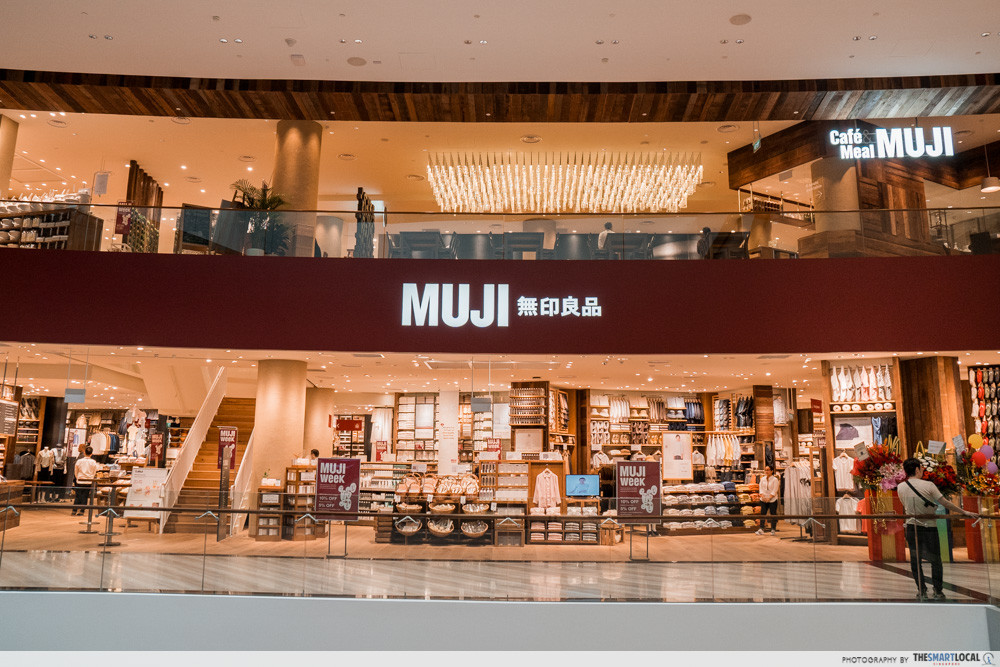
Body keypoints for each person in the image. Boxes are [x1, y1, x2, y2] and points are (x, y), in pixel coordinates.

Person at [897, 457, 978, 600]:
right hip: (930, 526)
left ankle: (921, 590)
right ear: (917, 469)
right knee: (935, 560)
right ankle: (938, 590)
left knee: (915, 560)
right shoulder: (929, 485)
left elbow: (905, 505)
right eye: (921, 468)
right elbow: (944, 502)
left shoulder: (901, 487)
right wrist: (963, 512)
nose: (923, 470)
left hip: (911, 527)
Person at [72, 446, 98, 516]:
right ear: (91, 454)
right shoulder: (93, 462)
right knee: (85, 496)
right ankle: (82, 510)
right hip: (88, 481)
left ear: (84, 453)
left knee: (78, 495)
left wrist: (77, 478)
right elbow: (94, 472)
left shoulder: (79, 461)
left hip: (80, 480)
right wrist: (91, 478)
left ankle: (74, 510)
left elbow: (76, 471)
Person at [756, 466, 781, 535]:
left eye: (768, 470)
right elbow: (760, 488)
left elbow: (775, 490)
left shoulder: (775, 480)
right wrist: (762, 496)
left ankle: (773, 529)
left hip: (772, 500)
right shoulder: (762, 479)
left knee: (773, 514)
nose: (766, 471)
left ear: (772, 471)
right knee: (762, 514)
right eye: (765, 470)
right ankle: (761, 529)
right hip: (763, 499)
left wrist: (769, 498)